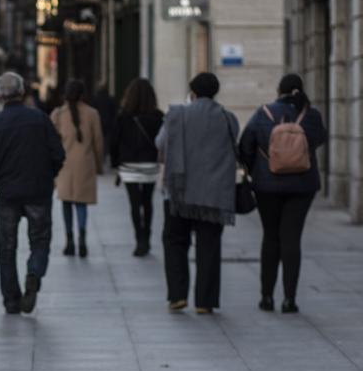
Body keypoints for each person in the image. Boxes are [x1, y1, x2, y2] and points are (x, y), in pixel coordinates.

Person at [239, 74, 327, 314]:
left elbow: (246, 145)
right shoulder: (312, 114)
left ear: (279, 90)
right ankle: (290, 299)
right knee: (292, 238)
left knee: (270, 237)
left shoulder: (263, 113)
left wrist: (252, 168)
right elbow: (320, 139)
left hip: (267, 185)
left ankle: (266, 297)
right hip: (302, 185)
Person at [0, 72, 65, 315]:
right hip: (38, 190)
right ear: (23, 93)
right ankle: (34, 273)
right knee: (40, 240)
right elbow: (58, 154)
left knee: (6, 248)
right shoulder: (40, 120)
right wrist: (48, 176)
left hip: (7, 193)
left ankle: (11, 300)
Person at [157, 72, 238, 314]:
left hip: (178, 192)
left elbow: (160, 144)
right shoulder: (228, 118)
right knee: (209, 246)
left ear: (192, 91)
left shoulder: (177, 115)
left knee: (174, 242)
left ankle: (177, 295)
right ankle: (205, 301)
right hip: (213, 194)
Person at [108, 78, 164, 257]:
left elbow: (114, 142)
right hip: (149, 164)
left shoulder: (123, 116)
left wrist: (116, 164)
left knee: (134, 204)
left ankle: (139, 240)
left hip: (129, 164)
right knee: (147, 202)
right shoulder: (158, 117)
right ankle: (146, 237)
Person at [50, 80, 104, 258]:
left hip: (64, 166)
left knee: (66, 202)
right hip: (85, 164)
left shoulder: (58, 114)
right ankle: (82, 238)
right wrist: (98, 165)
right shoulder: (92, 114)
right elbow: (98, 142)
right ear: (83, 94)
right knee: (81, 204)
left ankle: (69, 240)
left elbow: (50, 142)